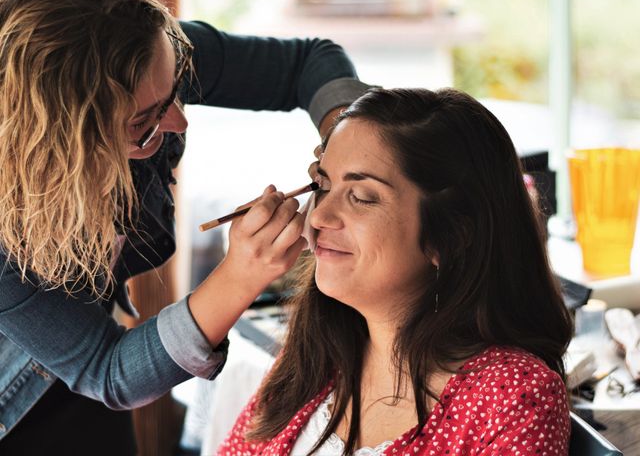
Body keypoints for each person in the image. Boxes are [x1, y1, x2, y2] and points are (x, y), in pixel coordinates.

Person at [0, 0, 372, 454]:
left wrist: (349, 139)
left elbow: (307, 62)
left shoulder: (144, 50)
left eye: (175, 90)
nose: (179, 121)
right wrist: (241, 273)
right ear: (61, 145)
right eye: (144, 122)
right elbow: (109, 370)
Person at [218, 87, 574, 456]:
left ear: (449, 236)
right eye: (322, 186)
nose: (319, 216)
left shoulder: (513, 398)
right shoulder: (313, 363)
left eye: (361, 197)